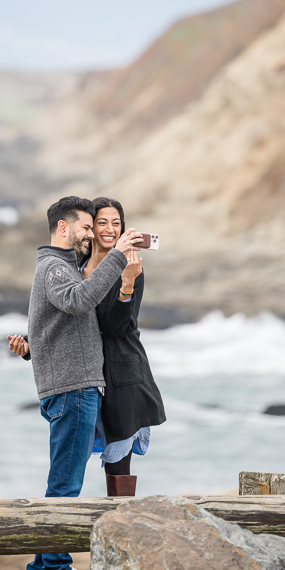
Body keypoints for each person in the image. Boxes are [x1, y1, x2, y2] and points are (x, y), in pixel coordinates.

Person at [6, 195, 141, 570]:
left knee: (61, 477)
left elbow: (50, 327)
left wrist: (32, 349)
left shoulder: (61, 267)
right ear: (63, 228)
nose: (90, 234)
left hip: (68, 387)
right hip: (74, 390)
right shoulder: (55, 268)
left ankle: (43, 562)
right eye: (85, 227)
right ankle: (54, 566)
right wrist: (118, 258)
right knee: (66, 485)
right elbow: (80, 302)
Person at [83, 196, 166, 496]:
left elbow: (116, 327)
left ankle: (120, 529)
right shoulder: (75, 266)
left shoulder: (131, 269)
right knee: (74, 457)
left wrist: (127, 286)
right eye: (102, 222)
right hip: (85, 377)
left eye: (116, 223)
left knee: (117, 466)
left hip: (123, 376)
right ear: (89, 228)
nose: (109, 229)